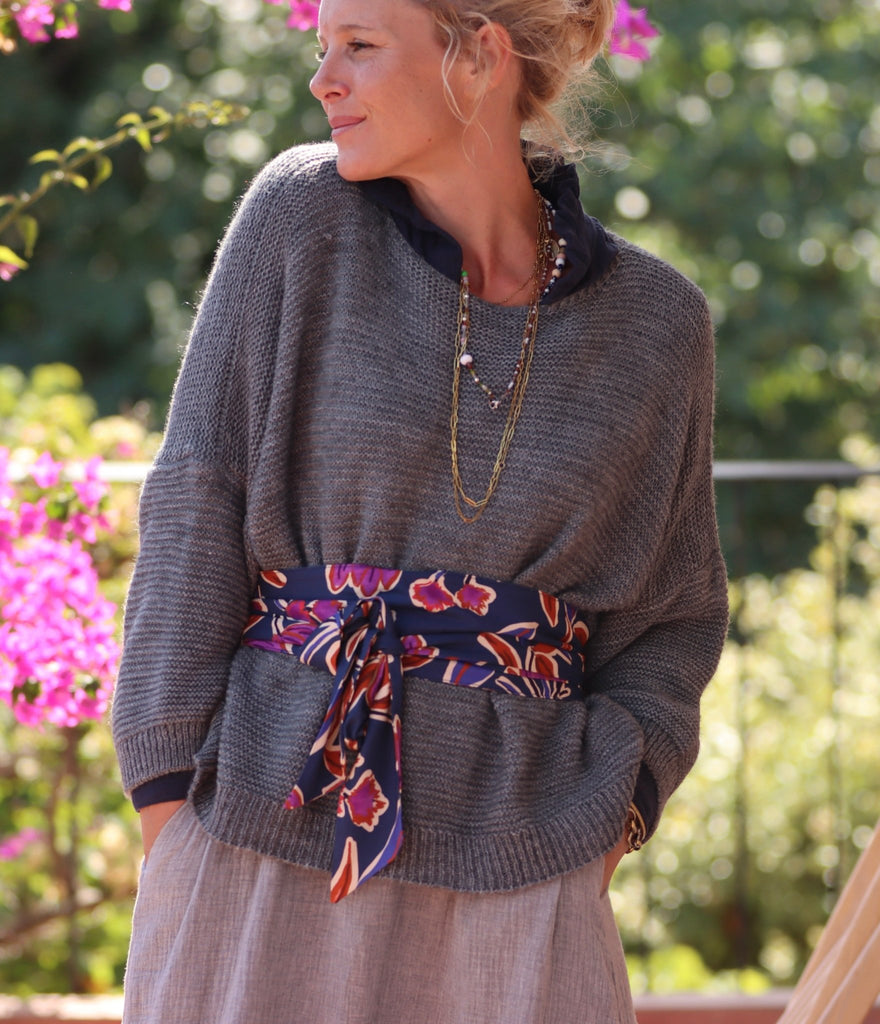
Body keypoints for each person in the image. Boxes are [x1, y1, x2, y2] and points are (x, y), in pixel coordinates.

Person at [111, 0, 728, 1020]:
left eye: (359, 46)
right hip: (260, 829)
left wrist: (612, 817)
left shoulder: (658, 323)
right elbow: (195, 503)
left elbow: (674, 614)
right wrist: (168, 803)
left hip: (529, 867)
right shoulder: (299, 218)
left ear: (479, 56)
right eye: (323, 49)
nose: (323, 80)